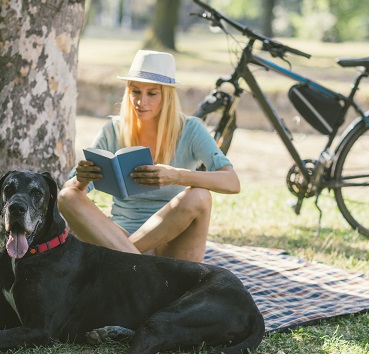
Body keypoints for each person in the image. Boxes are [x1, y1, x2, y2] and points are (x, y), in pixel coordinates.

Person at [58, 50, 240, 263]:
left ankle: (124, 261)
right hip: (117, 238)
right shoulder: (114, 130)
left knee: (200, 195)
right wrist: (82, 177)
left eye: (152, 94)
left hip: (171, 246)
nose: (141, 102)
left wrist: (177, 176)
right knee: (66, 196)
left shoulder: (190, 129)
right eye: (135, 92)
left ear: (167, 96)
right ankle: (133, 260)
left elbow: (232, 182)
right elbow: (71, 192)